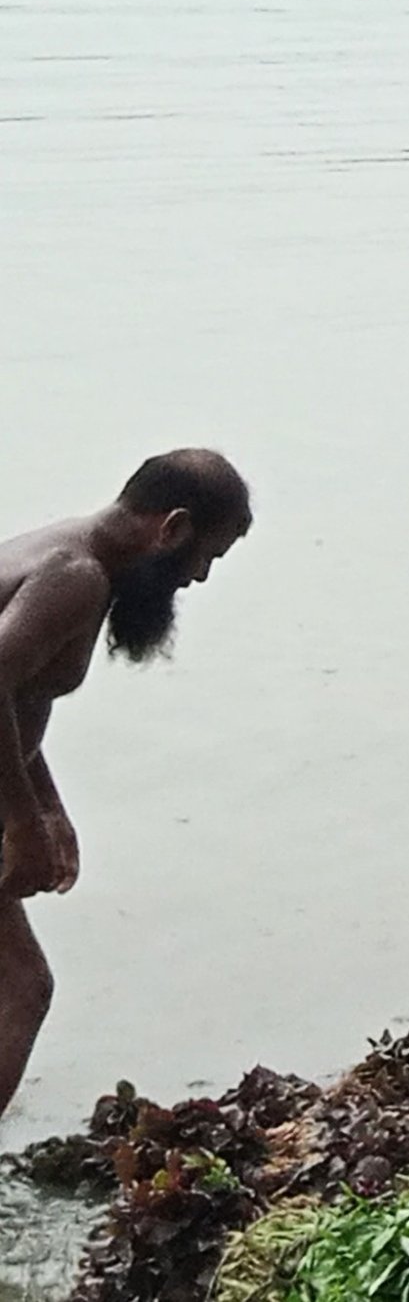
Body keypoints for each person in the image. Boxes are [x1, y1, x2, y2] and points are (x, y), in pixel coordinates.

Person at [0, 452, 251, 1126]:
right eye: (207, 556)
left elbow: (16, 693)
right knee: (20, 987)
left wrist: (47, 805)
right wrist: (21, 824)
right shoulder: (74, 575)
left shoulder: (73, 558)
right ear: (171, 527)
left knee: (19, 984)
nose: (197, 578)